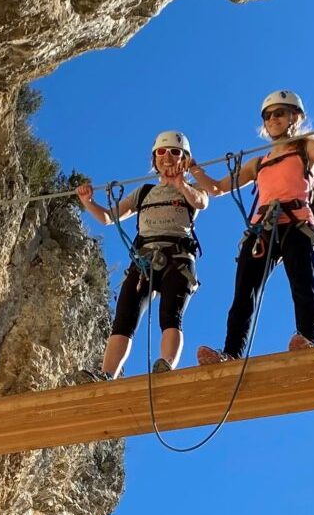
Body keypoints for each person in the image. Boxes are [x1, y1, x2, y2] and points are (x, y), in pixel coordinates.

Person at [197, 89, 314, 364]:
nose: (273, 118)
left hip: (296, 222)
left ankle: (307, 338)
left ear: (294, 117)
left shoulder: (305, 147)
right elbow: (217, 188)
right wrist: (193, 170)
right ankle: (231, 353)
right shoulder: (258, 163)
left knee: (302, 282)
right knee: (244, 293)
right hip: (262, 228)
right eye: (268, 115)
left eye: (280, 113)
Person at [75, 130, 214, 377]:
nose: (167, 157)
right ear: (154, 159)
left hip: (177, 257)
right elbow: (109, 217)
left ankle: (166, 365)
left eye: (175, 152)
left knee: (170, 315)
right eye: (161, 152)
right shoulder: (143, 192)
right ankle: (107, 375)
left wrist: (180, 183)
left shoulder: (192, 189)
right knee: (124, 319)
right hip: (143, 261)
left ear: (184, 158)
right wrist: (88, 201)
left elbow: (201, 202)